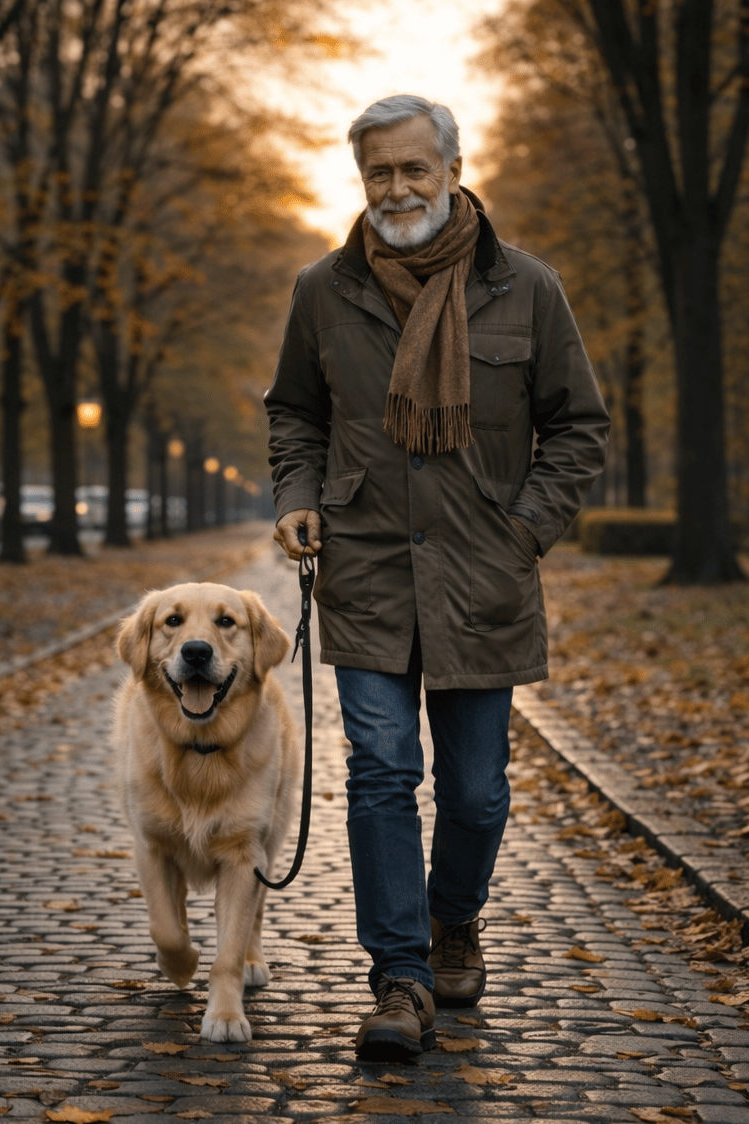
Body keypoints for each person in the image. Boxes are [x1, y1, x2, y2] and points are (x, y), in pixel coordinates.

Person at [264, 94, 609, 1063]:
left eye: (415, 168)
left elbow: (578, 425)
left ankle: (456, 919)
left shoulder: (525, 288)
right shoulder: (321, 290)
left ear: (453, 169)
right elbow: (294, 411)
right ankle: (401, 975)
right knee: (380, 772)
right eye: (379, 171)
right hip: (366, 571)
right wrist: (297, 490)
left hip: (482, 578)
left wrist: (525, 530)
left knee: (475, 791)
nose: (397, 187)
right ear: (360, 179)